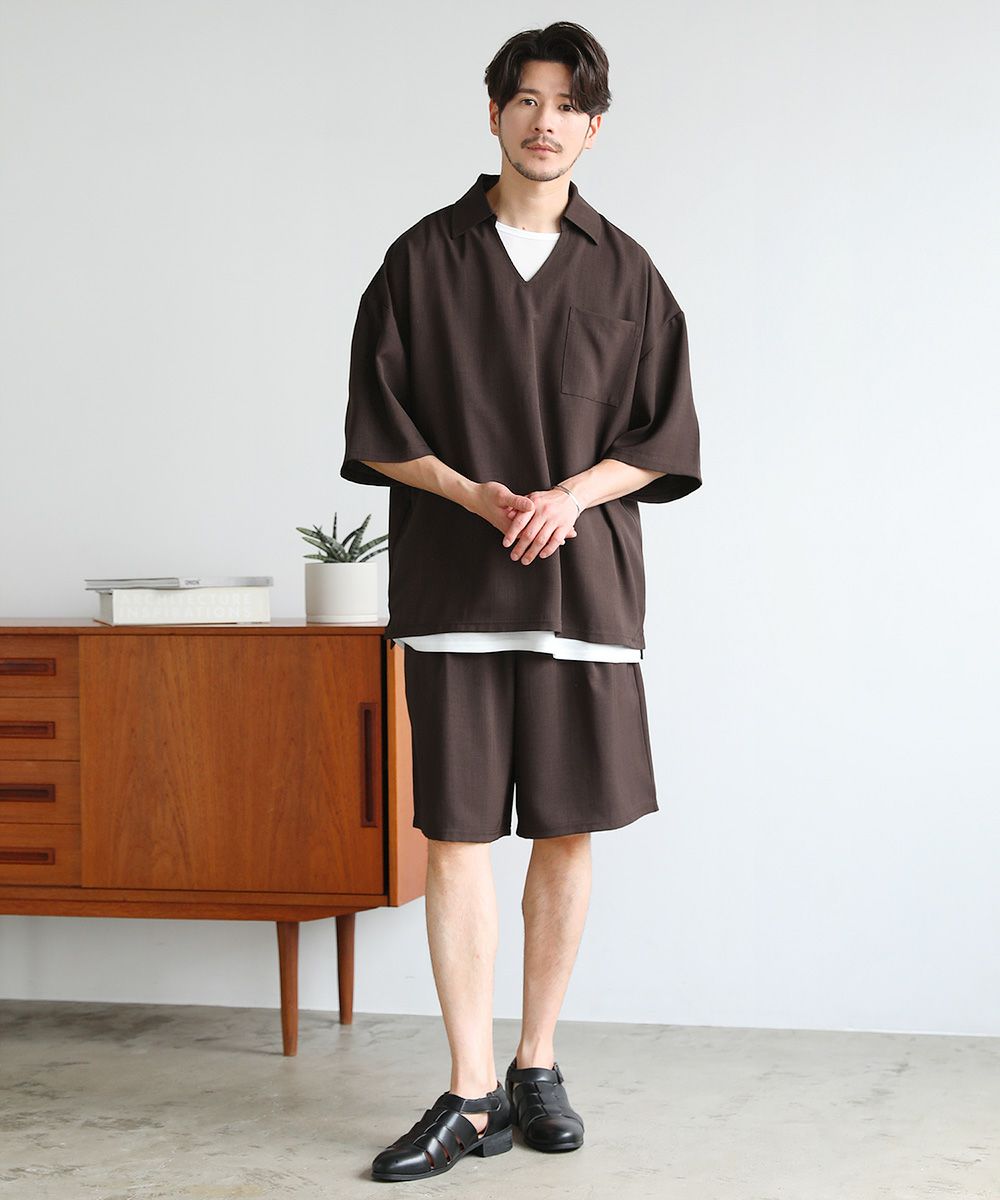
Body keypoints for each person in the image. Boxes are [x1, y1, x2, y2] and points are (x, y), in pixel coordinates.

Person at [340, 20, 702, 1182]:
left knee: (565, 828)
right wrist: (473, 494)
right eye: (527, 99)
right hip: (453, 587)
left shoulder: (628, 272)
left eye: (569, 105)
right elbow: (377, 425)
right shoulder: (419, 260)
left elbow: (663, 437)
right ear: (493, 111)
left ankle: (536, 1063)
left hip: (583, 596)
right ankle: (468, 1091)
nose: (547, 122)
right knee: (452, 835)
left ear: (595, 127)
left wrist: (569, 496)